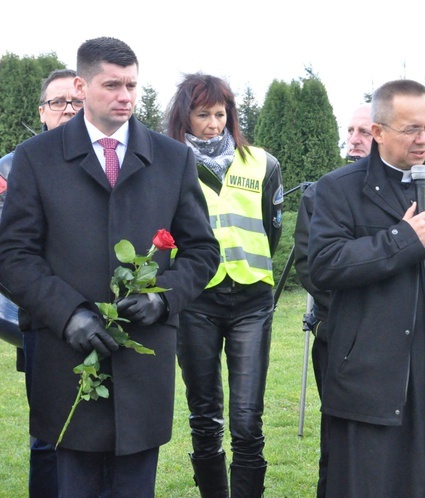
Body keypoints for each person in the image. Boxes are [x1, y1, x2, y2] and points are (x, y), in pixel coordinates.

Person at [0, 37, 220, 497]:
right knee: (70, 483)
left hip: (143, 358)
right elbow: (13, 256)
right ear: (81, 86)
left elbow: (202, 251)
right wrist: (68, 312)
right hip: (67, 360)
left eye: (132, 86)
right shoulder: (36, 159)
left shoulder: (172, 158)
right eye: (112, 85)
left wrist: (162, 300)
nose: (125, 96)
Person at [308, 79, 425, 497]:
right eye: (411, 130)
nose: (423, 140)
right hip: (373, 370)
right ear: (378, 132)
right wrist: (400, 240)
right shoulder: (338, 189)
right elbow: (323, 266)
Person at [165, 72, 283, 498]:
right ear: (185, 116)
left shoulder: (263, 163)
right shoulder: (168, 163)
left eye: (220, 114)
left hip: (252, 299)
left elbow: (272, 230)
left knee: (248, 418)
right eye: (202, 115)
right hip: (195, 300)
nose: (213, 124)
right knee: (204, 414)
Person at [0, 67, 81, 498]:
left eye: (77, 101)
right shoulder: (11, 168)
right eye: (58, 102)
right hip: (43, 324)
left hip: (107, 320)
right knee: (49, 435)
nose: (68, 110)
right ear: (42, 111)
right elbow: (8, 255)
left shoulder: (109, 162)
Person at [294, 102, 372, 497]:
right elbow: (309, 265)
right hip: (337, 333)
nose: (354, 140)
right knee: (337, 437)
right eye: (351, 131)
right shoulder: (324, 192)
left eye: (365, 132)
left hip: (392, 338)